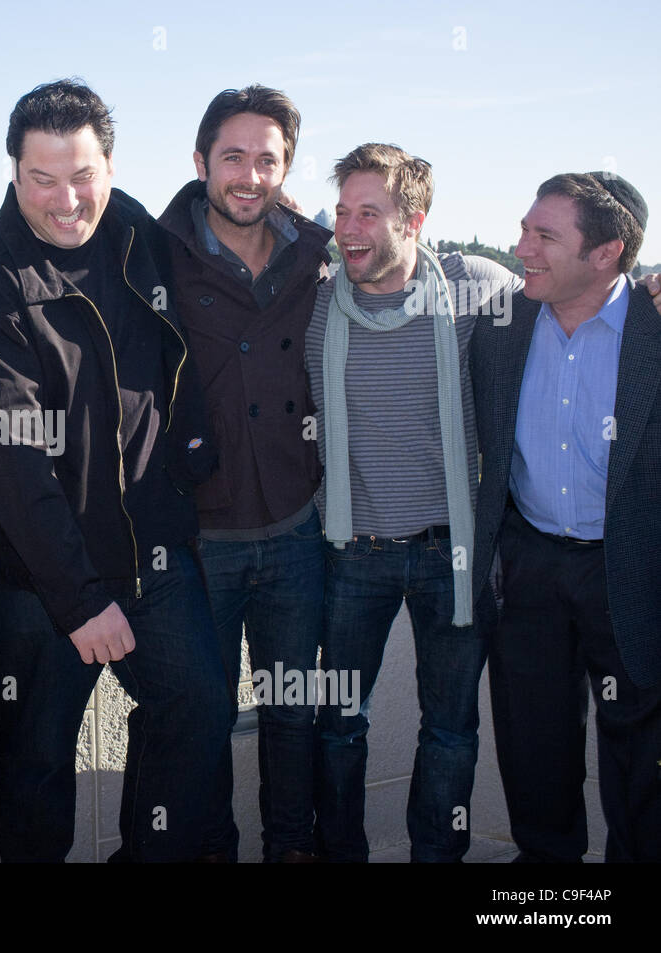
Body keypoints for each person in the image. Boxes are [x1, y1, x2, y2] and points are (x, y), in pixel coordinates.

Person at [0, 80, 233, 862]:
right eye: (42, 178)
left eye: (83, 176)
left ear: (110, 166)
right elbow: (9, 464)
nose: (66, 201)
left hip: (155, 553)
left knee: (200, 708)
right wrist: (80, 599)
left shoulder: (138, 229)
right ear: (12, 172)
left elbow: (233, 221)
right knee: (38, 769)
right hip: (43, 579)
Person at [305, 143, 521, 862]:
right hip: (350, 553)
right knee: (336, 724)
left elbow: (574, 308)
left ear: (416, 219)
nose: (349, 227)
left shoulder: (475, 288)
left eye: (370, 212)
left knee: (452, 729)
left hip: (449, 553)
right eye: (342, 211)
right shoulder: (315, 301)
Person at [156, 85, 331, 862]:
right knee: (201, 721)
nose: (250, 176)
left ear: (286, 168)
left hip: (296, 529)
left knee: (295, 715)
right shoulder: (153, 252)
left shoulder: (315, 254)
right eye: (234, 157)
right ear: (201, 163)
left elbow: (405, 269)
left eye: (268, 160)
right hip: (201, 539)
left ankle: (291, 849)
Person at [471, 172, 661, 862]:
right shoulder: (499, 326)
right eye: (524, 229)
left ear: (606, 252)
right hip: (530, 569)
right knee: (533, 743)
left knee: (641, 757)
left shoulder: (655, 329)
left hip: (631, 566)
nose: (522, 247)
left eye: (543, 235)